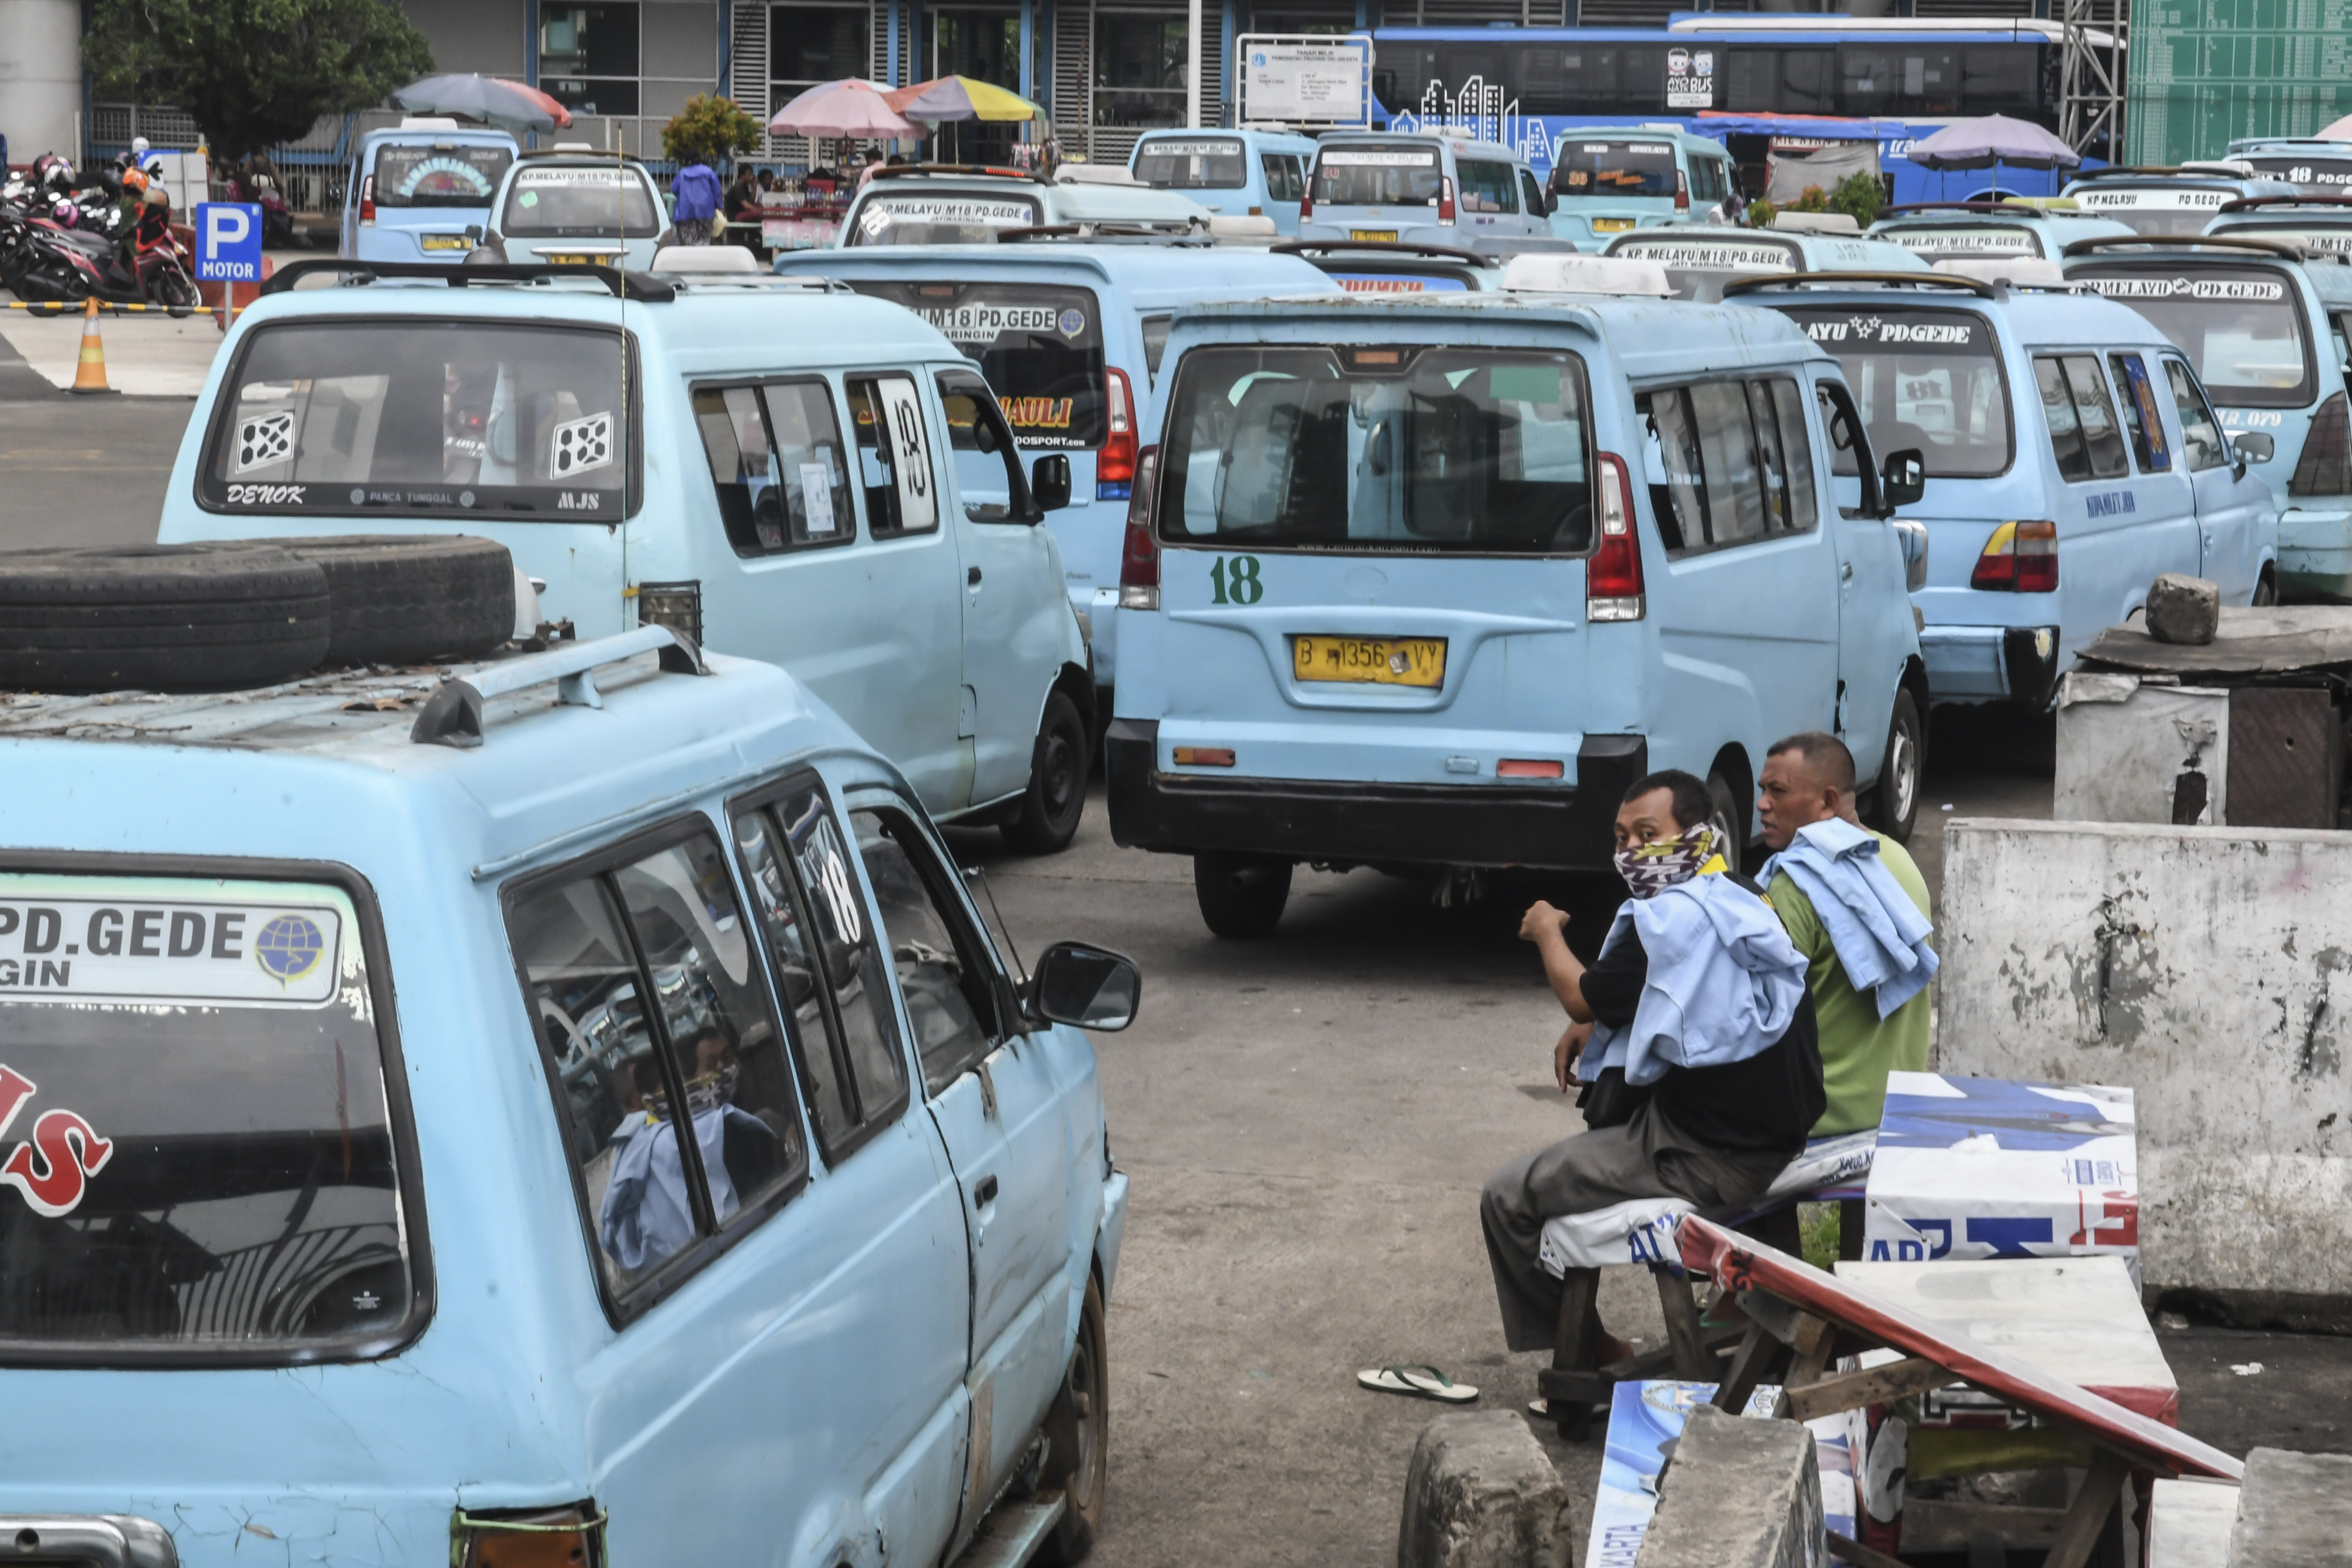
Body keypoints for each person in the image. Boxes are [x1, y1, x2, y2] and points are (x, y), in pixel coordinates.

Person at [1483, 771, 1823, 1371]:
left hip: (1705, 1156)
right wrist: (1598, 1021)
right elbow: (1671, 1000)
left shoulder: (1666, 923)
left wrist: (1546, 929)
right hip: (1776, 1139)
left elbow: (1579, 995)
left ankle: (1587, 1350)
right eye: (1621, 837)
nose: (1632, 852)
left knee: (1506, 1195)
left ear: (1695, 836)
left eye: (1648, 834)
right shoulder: (1742, 895)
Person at [1755, 733, 1936, 1251]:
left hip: (1823, 1127)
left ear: (1829, 801)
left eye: (1778, 791)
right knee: (1848, 1272)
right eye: (1761, 790)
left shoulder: (1793, 886)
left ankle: (1763, 1302)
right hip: (1896, 1113)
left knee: (1814, 1271)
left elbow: (1752, 1013)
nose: (1763, 805)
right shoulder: (1899, 862)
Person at [670, 156, 723, 244]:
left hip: (685, 212)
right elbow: (717, 191)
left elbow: (674, 189)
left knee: (687, 240)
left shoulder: (682, 173)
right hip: (706, 212)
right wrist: (719, 206)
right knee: (704, 238)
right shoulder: (708, 172)